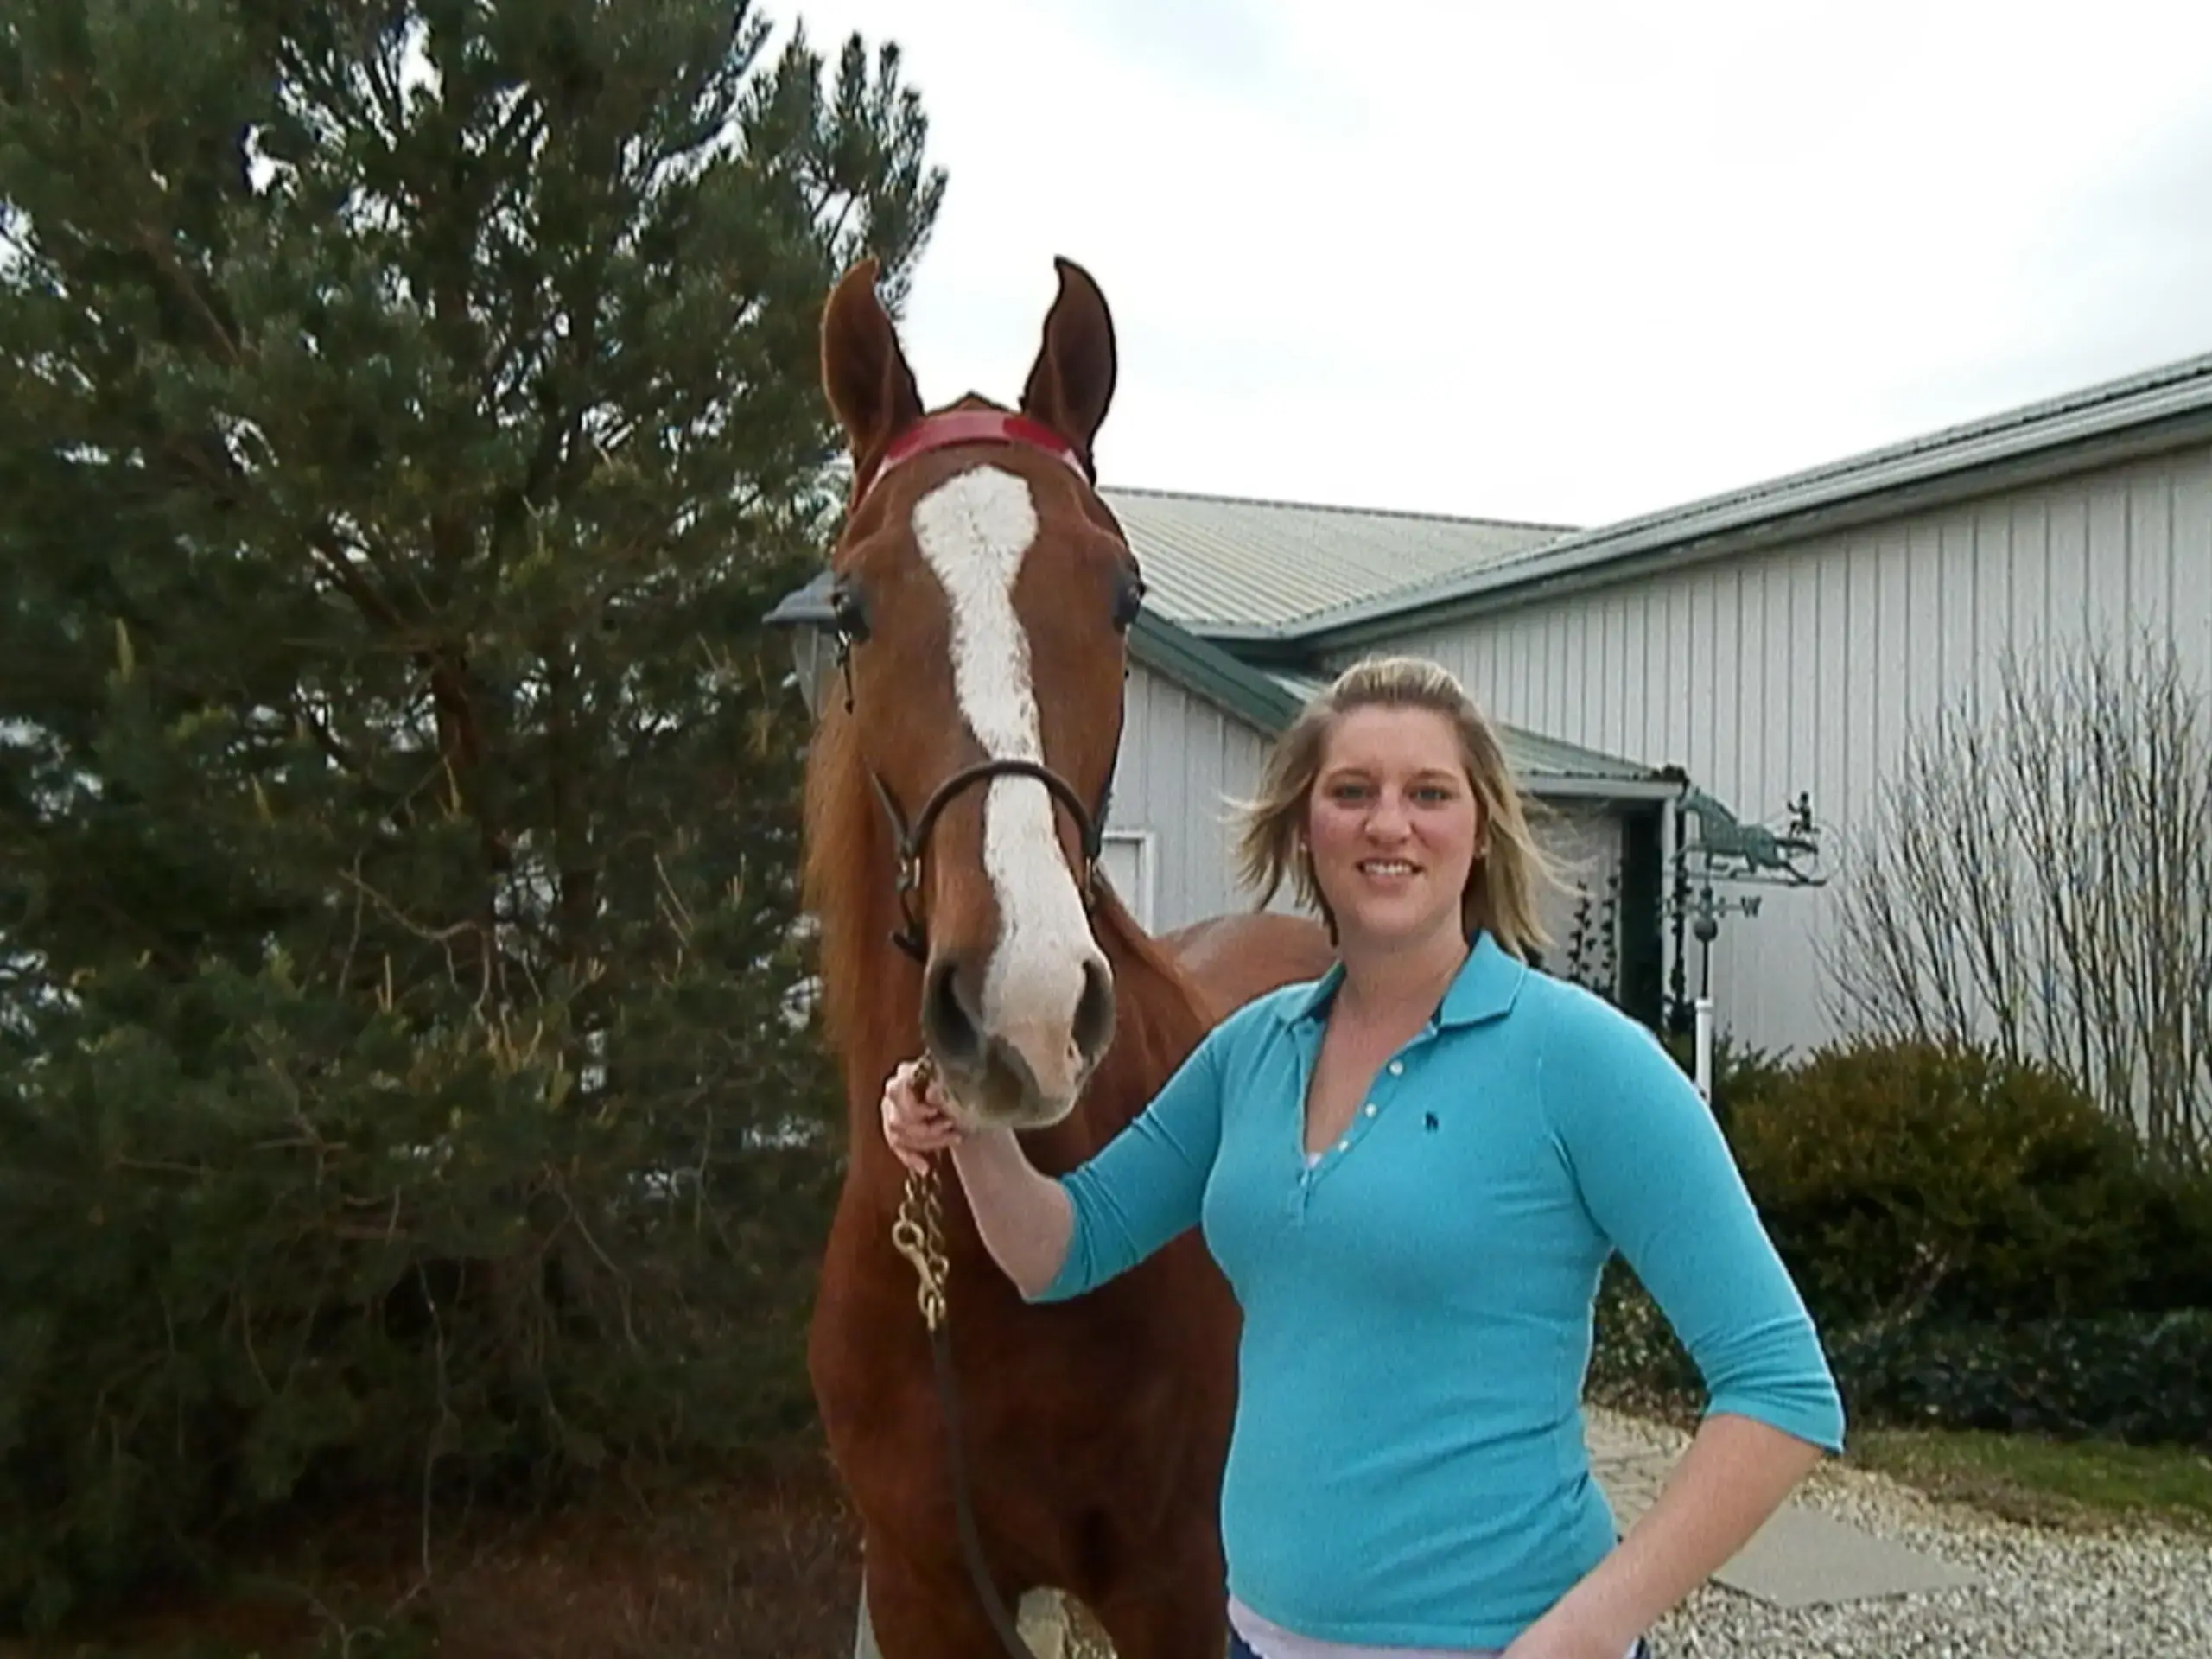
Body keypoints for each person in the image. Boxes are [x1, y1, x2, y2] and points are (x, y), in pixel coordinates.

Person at [879, 655, 1844, 1659]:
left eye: (1429, 793)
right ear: (1306, 828)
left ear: (1478, 834)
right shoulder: (1251, 1052)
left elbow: (1779, 1389)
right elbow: (1060, 1250)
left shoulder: (1582, 1062)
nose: (1390, 824)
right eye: (1352, 793)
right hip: (1256, 1640)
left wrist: (1586, 1631)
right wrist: (975, 1131)